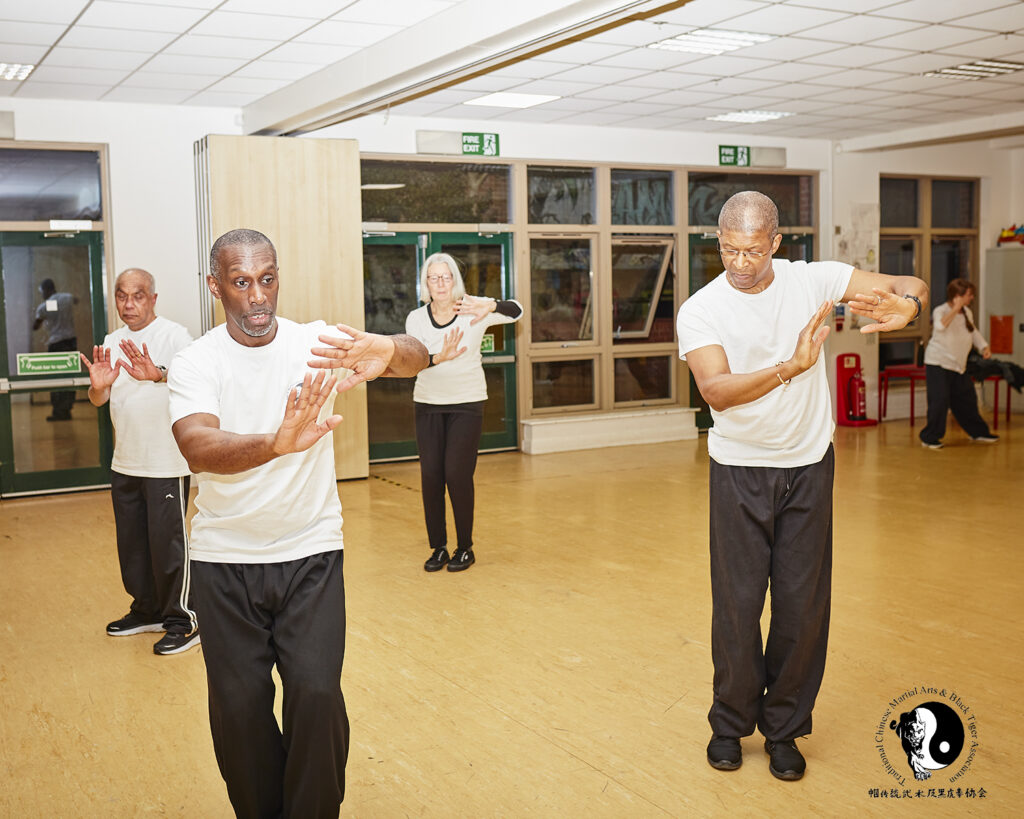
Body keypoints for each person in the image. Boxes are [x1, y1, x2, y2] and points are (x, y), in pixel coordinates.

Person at [168, 228, 427, 818]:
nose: (257, 296)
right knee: (240, 708)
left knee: (316, 693)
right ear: (216, 288)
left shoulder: (316, 343)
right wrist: (275, 443)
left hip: (310, 553)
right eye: (240, 283)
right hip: (225, 560)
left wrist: (389, 351)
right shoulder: (196, 362)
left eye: (267, 279)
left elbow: (415, 352)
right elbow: (198, 446)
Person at [676, 191, 928, 782]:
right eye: (730, 249)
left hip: (810, 465)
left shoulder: (814, 280)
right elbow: (716, 391)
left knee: (802, 607)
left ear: (777, 243)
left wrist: (908, 308)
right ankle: (729, 724)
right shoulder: (701, 308)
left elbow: (907, 281)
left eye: (753, 251)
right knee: (737, 607)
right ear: (718, 242)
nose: (740, 263)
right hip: (738, 468)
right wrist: (790, 366)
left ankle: (785, 729)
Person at [80, 268, 197, 655]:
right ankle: (145, 609)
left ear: (153, 298)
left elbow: (195, 385)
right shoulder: (112, 340)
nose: (128, 304)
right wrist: (98, 387)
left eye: (138, 295)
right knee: (132, 546)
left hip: (165, 463)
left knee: (168, 547)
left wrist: (159, 374)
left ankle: (184, 620)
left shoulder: (176, 336)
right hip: (125, 461)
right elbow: (100, 399)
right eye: (121, 295)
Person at [404, 252, 523, 572]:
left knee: (456, 474)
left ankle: (465, 548)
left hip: (467, 403)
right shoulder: (415, 318)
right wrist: (437, 358)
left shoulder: (473, 308)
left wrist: (492, 305)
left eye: (446, 277)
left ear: (455, 280)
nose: (441, 283)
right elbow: (411, 362)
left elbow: (518, 311)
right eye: (434, 278)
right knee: (431, 476)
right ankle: (439, 547)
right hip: (428, 403)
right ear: (425, 284)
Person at [919, 278, 998, 449]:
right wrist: (955, 308)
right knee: (939, 401)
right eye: (969, 295)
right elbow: (940, 327)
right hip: (938, 363)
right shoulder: (941, 310)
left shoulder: (967, 313)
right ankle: (929, 437)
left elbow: (973, 331)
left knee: (967, 400)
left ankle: (979, 432)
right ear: (957, 296)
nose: (972, 298)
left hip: (958, 365)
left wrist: (984, 346)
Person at [33, 278, 78, 420]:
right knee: (70, 376)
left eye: (42, 292)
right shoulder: (67, 297)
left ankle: (58, 411)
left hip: (57, 344)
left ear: (47, 290)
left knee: (56, 377)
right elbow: (76, 300)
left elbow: (35, 326)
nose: (42, 295)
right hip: (70, 342)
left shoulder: (44, 306)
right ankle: (67, 408)